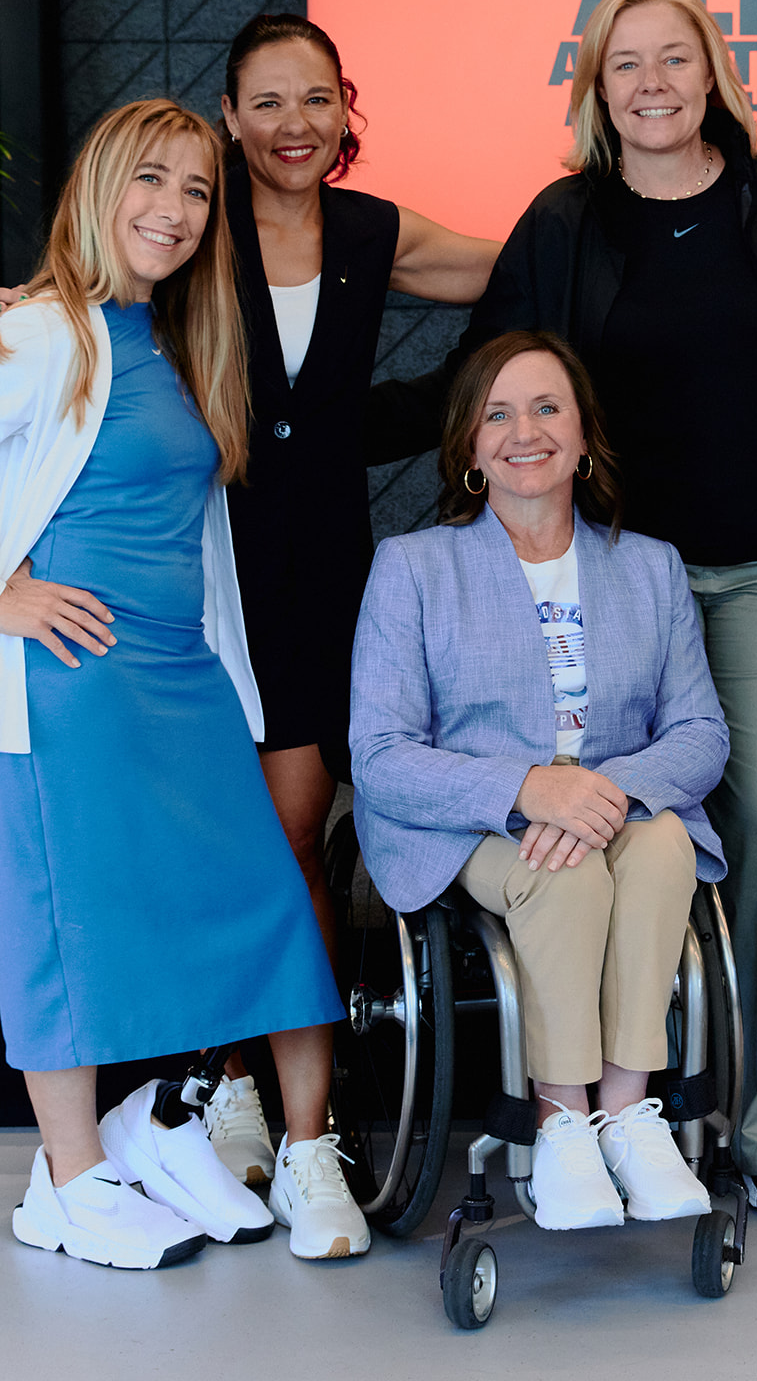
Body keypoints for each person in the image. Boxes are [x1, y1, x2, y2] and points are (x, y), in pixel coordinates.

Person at [391, 0, 757, 1210]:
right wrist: (289, 428)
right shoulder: (566, 222)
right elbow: (476, 381)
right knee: (592, 829)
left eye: (673, 59)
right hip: (607, 576)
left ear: (713, 73)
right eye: (624, 64)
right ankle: (591, 1112)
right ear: (597, 90)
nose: (651, 84)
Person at [0, 97, 370, 1270]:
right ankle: (64, 1183)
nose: (173, 209)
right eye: (148, 182)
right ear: (97, 191)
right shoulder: (46, 329)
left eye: (196, 191)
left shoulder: (162, 335)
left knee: (253, 904)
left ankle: (153, 1129)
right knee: (66, 926)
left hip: (179, 675)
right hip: (71, 683)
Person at [186, 14, 501, 1177]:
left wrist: (432, 407)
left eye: (316, 99)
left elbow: (503, 271)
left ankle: (294, 1108)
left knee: (297, 838)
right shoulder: (193, 222)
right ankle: (230, 1084)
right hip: (211, 568)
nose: (292, 125)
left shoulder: (368, 231)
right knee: (247, 836)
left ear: (345, 111)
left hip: (332, 575)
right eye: (267, 102)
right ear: (228, 115)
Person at [350, 330, 729, 1230]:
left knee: (666, 839)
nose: (527, 430)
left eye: (548, 406)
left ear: (585, 434)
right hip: (472, 823)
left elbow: (700, 732)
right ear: (470, 447)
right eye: (498, 413)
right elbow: (382, 753)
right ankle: (563, 1123)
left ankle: (631, 1116)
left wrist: (607, 797)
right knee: (564, 866)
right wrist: (529, 790)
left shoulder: (650, 566)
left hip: (613, 806)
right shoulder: (416, 568)